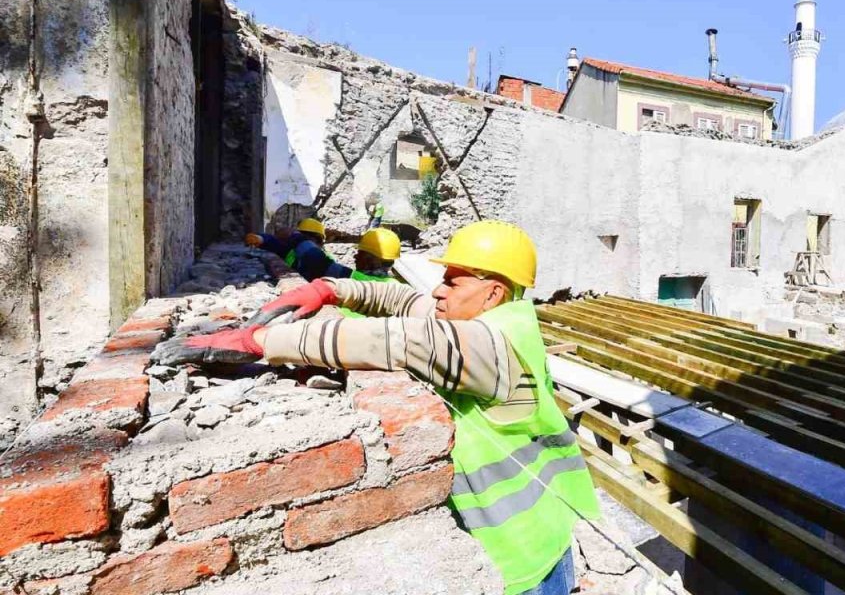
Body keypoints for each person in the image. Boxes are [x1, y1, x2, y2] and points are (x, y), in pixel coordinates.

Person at [157, 220, 600, 594]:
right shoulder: (497, 319)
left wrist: (259, 341)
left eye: (453, 280)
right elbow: (404, 301)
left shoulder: (490, 345)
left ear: (493, 293)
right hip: (533, 536)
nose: (439, 290)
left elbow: (393, 340)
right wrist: (330, 290)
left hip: (526, 553)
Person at [245, 218, 329, 269]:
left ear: (319, 240)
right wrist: (260, 239)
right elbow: (274, 242)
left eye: (308, 237)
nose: (303, 241)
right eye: (303, 236)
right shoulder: (291, 252)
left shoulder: (326, 259)